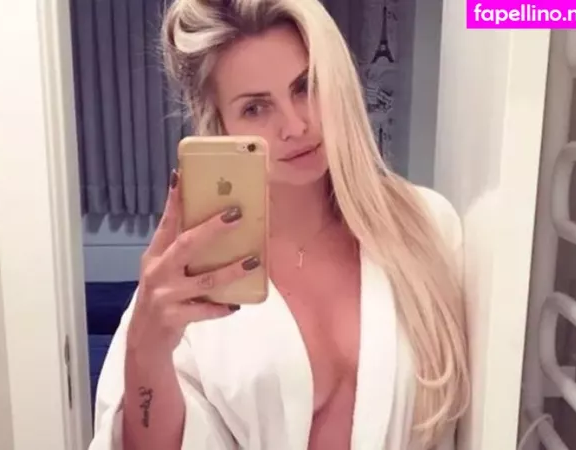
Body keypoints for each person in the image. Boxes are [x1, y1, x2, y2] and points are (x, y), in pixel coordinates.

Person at [89, 0, 470, 449]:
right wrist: (146, 350)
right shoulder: (191, 276)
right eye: (255, 108)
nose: (295, 125)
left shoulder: (429, 227)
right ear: (222, 125)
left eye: (305, 86)